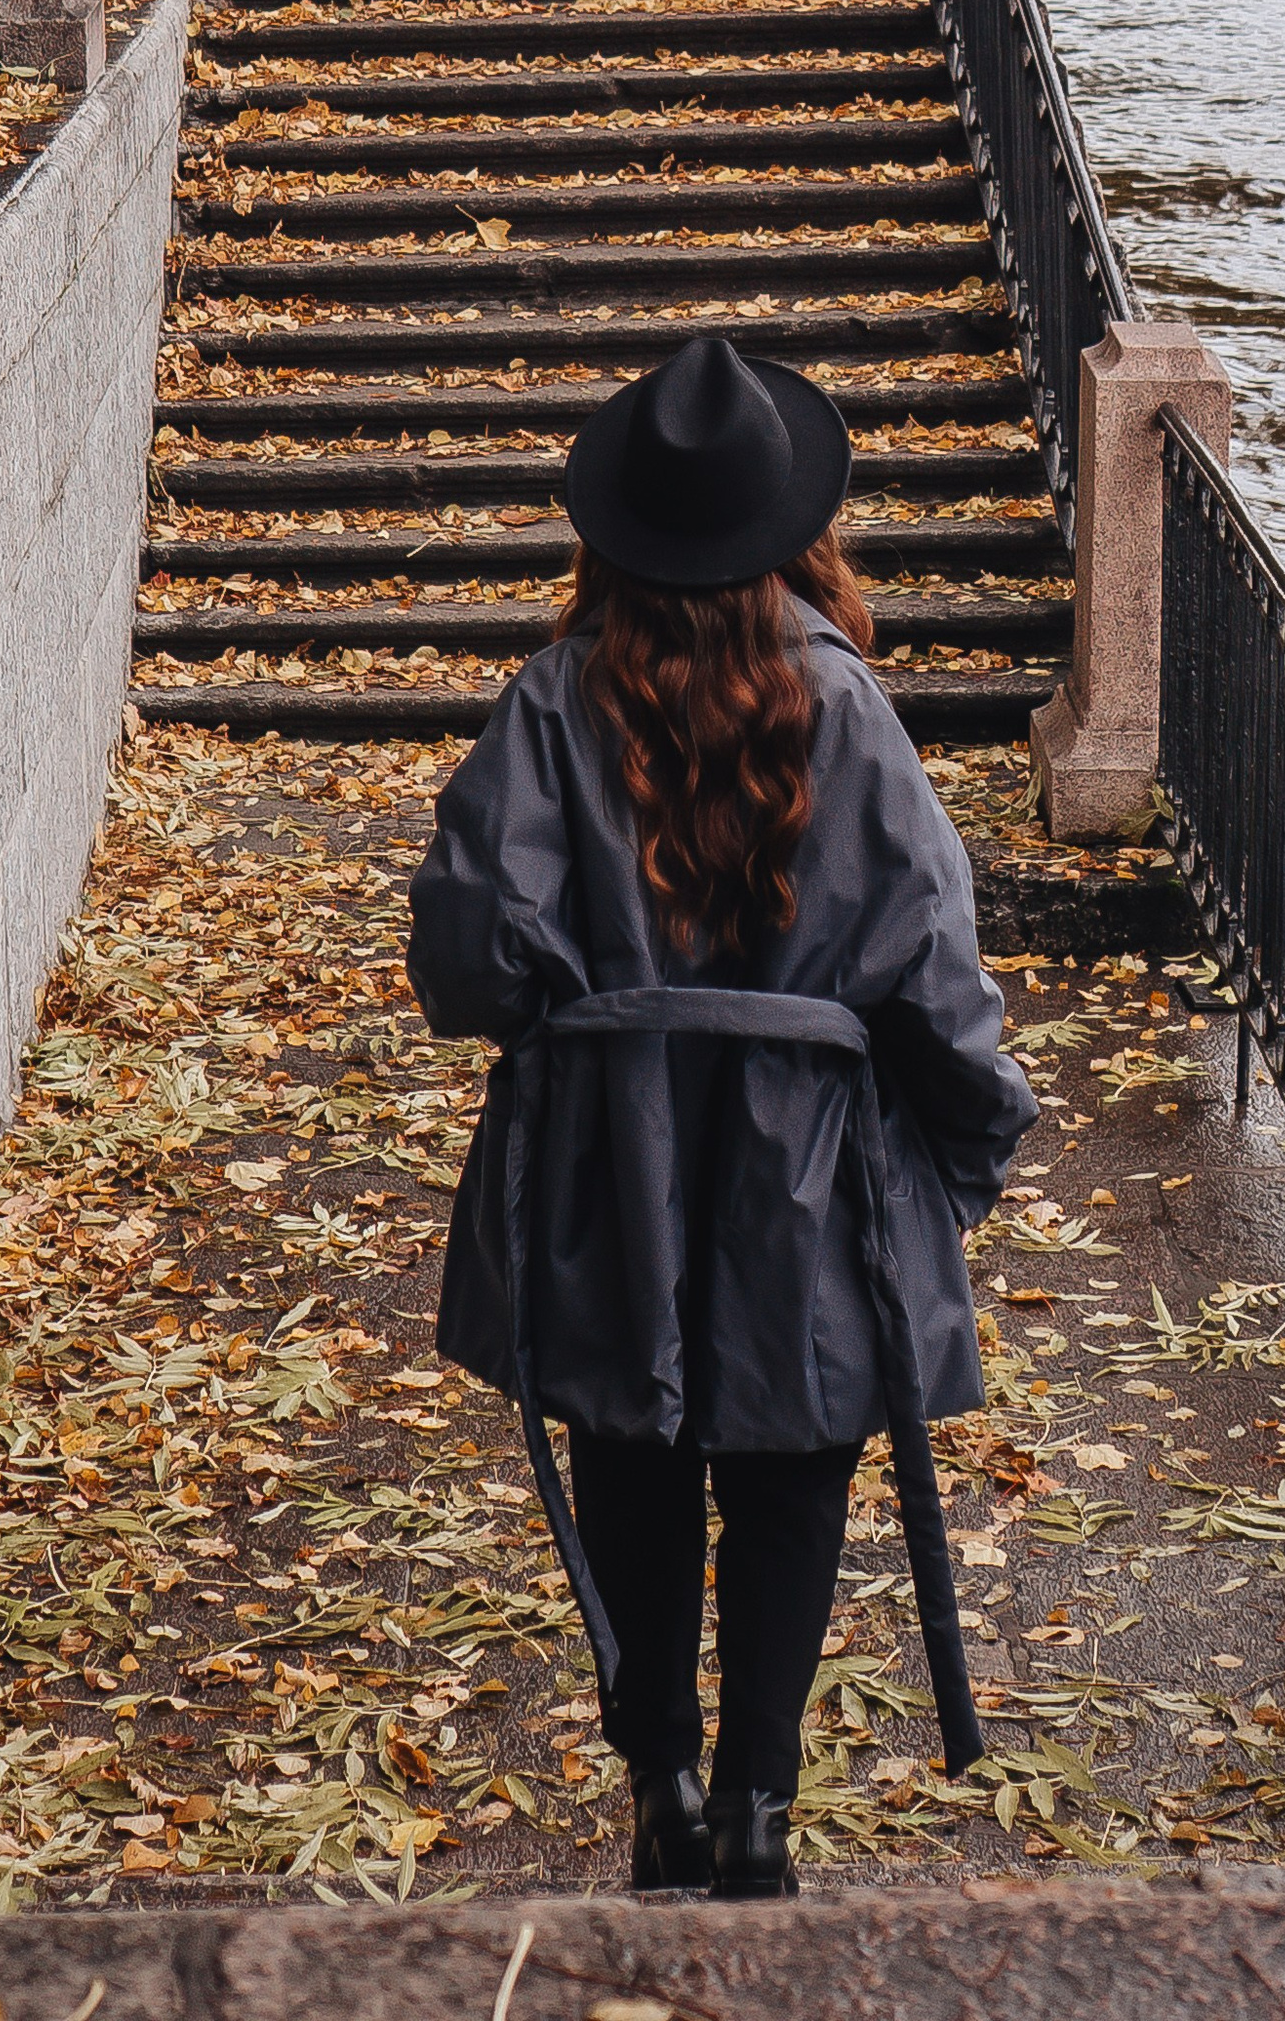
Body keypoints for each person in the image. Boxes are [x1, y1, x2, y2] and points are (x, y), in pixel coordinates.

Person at [406, 331, 1036, 1899]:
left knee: (633, 1449)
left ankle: (666, 1783)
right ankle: (758, 1807)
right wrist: (962, 1152)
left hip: (608, 1164)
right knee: (792, 1463)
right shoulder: (850, 711)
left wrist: (582, 1018)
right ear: (797, 534)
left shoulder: (553, 703)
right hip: (811, 1164)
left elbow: (468, 957)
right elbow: (932, 962)